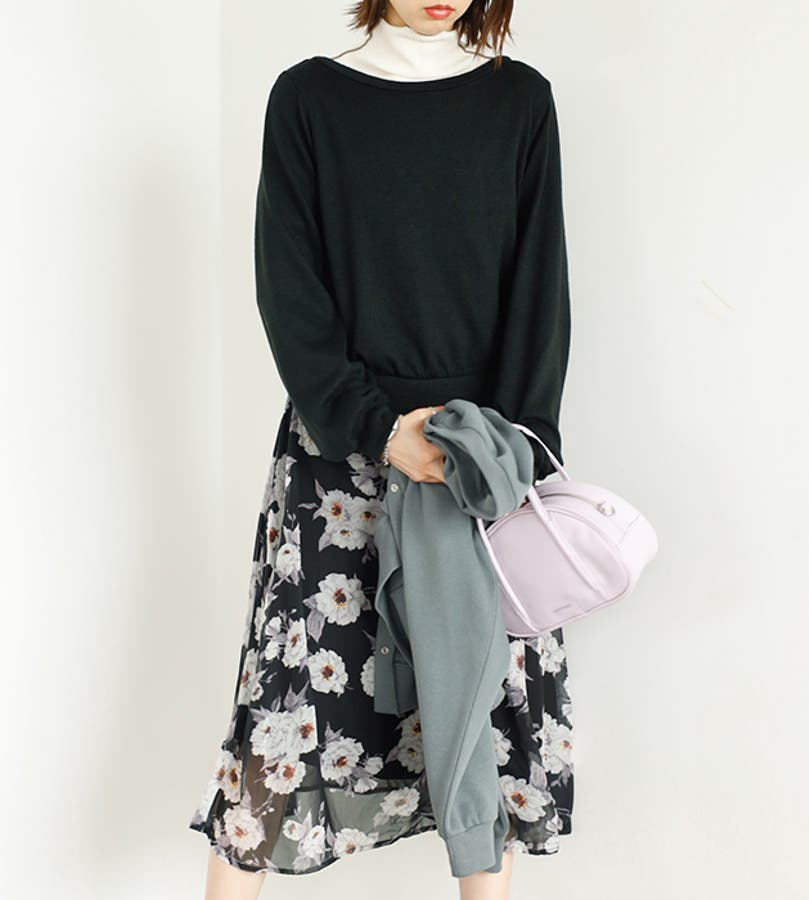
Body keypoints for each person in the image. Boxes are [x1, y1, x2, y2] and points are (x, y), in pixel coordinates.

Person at [188, 3, 575, 898]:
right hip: (338, 463)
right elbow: (289, 288)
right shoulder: (308, 99)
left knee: (489, 720)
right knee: (281, 723)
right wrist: (376, 428)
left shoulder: (520, 102)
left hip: (477, 466)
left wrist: (513, 451)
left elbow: (540, 292)